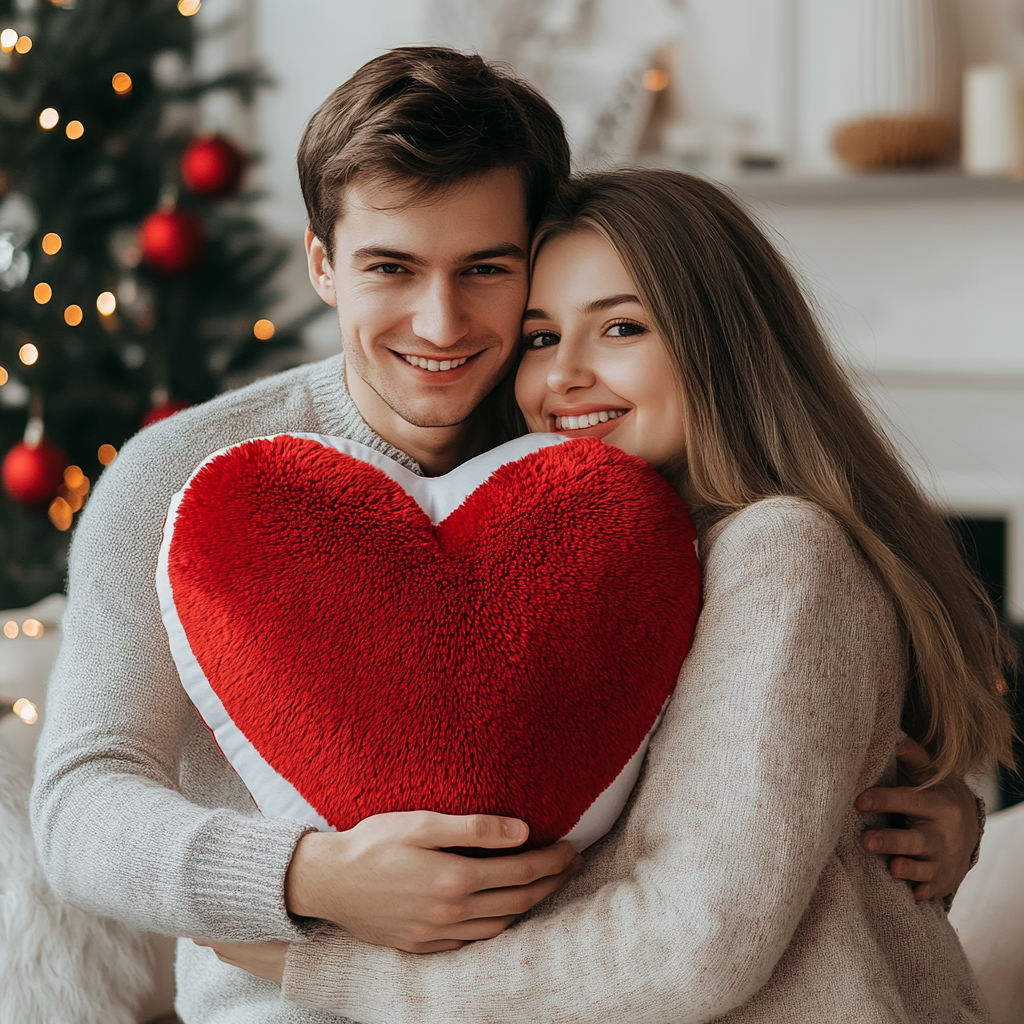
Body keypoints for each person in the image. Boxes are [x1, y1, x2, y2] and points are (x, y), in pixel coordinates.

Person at [29, 48, 986, 1024]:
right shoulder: (184, 478)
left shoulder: (601, 469)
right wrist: (312, 878)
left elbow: (763, 755)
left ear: (532, 252)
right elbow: (79, 801)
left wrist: (945, 810)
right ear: (322, 263)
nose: (439, 323)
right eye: (390, 268)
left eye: (484, 270)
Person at [208, 168, 1015, 1022]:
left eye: (620, 327)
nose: (564, 378)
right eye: (540, 338)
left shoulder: (782, 551)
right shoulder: (603, 573)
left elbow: (691, 944)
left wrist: (327, 972)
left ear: (721, 345)